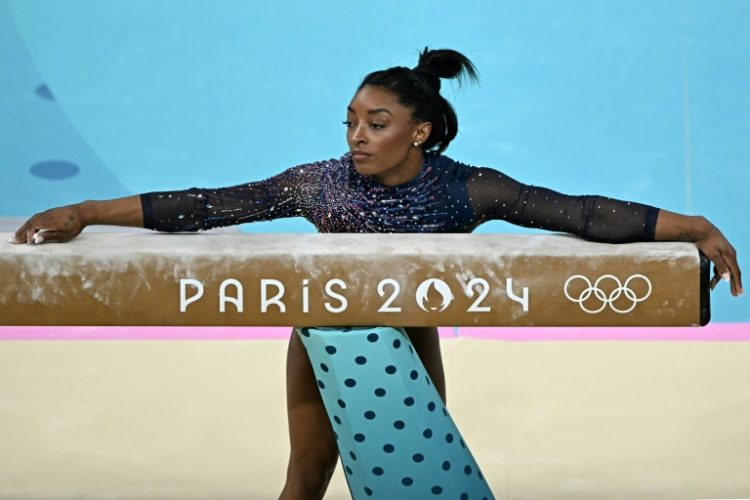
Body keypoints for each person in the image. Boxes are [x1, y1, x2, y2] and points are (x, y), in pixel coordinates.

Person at [10, 47, 742, 499]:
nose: (358, 136)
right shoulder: (319, 184)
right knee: (306, 478)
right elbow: (206, 204)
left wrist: (693, 227)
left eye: (378, 122)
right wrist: (85, 207)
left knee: (407, 479)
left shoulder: (465, 188)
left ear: (419, 130)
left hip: (409, 339)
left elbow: (572, 212)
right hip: (324, 331)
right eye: (351, 121)